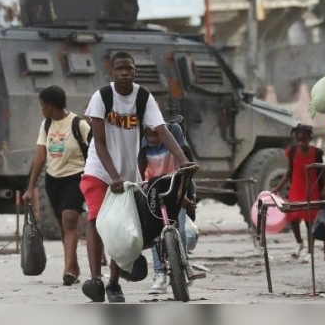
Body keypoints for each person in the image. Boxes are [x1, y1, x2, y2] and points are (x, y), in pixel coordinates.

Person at [79, 51, 190, 303]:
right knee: (97, 219)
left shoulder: (143, 97)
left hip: (127, 175)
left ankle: (114, 284)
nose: (125, 72)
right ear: (112, 72)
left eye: (129, 68)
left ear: (135, 71)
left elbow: (162, 130)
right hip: (99, 170)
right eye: (120, 69)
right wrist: (113, 175)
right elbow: (99, 142)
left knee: (124, 228)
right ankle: (96, 279)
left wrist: (183, 160)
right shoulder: (102, 97)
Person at [23, 85, 90, 286]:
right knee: (63, 225)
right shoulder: (46, 125)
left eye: (43, 106)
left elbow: (95, 150)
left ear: (51, 106)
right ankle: (74, 265)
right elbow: (40, 156)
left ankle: (68, 269)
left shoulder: (79, 124)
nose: (41, 109)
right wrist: (30, 187)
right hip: (53, 181)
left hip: (76, 178)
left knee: (70, 220)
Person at [138, 122, 197, 294]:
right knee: (156, 233)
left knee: (181, 229)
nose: (152, 138)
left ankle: (184, 265)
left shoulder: (173, 131)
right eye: (148, 134)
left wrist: (182, 195)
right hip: (153, 187)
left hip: (176, 183)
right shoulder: (140, 140)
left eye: (155, 134)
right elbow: (140, 171)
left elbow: (185, 166)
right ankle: (159, 274)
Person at [271, 124, 325, 261]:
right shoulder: (292, 152)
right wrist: (278, 187)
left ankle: (310, 252)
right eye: (298, 140)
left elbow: (322, 173)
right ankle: (299, 243)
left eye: (304, 140)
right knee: (294, 219)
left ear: (309, 138)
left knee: (310, 223)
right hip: (296, 189)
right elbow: (289, 172)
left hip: (312, 191)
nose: (301, 143)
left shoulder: (317, 153)